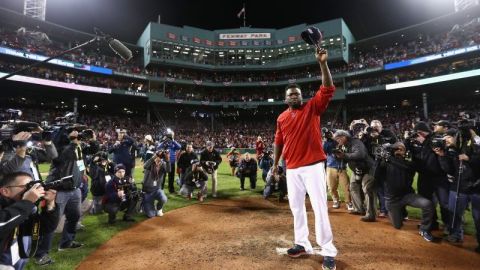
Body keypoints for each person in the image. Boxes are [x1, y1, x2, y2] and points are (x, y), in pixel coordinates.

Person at [273, 48, 337, 270]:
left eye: (297, 93)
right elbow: (278, 142)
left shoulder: (312, 108)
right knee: (296, 209)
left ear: (301, 96)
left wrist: (322, 64)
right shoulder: (281, 117)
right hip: (292, 169)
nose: (294, 96)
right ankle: (302, 243)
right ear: (285, 98)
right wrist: (274, 165)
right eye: (290, 94)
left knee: (319, 208)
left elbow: (327, 88)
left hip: (312, 166)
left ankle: (328, 250)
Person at [375, 142, 435, 242]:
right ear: (392, 151)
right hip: (392, 199)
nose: (398, 151)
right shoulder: (385, 164)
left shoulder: (409, 163)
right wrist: (378, 160)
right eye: (396, 149)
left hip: (407, 195)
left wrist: (389, 158)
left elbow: (406, 167)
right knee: (397, 226)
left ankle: (424, 229)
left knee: (428, 204)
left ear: (405, 151)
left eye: (401, 149)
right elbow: (375, 176)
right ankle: (401, 213)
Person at [0, 172, 59, 268]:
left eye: (33, 186)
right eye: (27, 186)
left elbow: (45, 227)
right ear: (5, 191)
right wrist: (26, 202)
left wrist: (50, 204)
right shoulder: (19, 208)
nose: (31, 190)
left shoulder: (17, 208)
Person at [142, 150, 170, 218]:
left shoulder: (163, 165)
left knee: (164, 199)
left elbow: (168, 170)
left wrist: (167, 160)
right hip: (147, 191)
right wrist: (155, 156)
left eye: (160, 158)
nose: (159, 159)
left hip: (157, 189)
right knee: (151, 215)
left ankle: (159, 209)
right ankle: (144, 205)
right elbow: (145, 166)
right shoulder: (150, 164)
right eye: (157, 158)